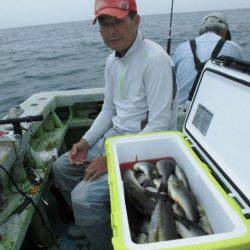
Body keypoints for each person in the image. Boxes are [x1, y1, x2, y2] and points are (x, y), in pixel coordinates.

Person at [52, 0, 178, 249]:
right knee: (62, 168)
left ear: (136, 20)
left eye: (118, 21)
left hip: (145, 146)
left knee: (82, 197)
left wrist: (112, 159)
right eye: (104, 24)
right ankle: (89, 221)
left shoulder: (155, 60)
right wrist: (85, 141)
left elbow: (160, 125)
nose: (111, 30)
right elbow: (109, 109)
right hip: (114, 137)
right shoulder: (112, 61)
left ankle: (107, 242)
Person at [173, 12, 242, 130]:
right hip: (215, 116)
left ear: (202, 31)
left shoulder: (181, 47)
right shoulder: (233, 48)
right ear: (225, 32)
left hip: (179, 116)